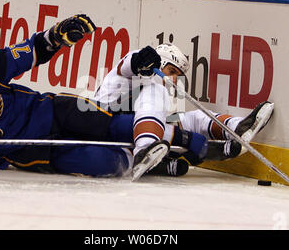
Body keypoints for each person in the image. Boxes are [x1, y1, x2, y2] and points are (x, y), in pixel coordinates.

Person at [0, 14, 189, 180]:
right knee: (101, 161)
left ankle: (183, 136)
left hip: (52, 109)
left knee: (107, 124)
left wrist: (56, 35)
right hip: (31, 149)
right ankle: (153, 164)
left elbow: (32, 50)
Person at [94, 43, 274, 177]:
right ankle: (146, 149)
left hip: (125, 137)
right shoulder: (133, 73)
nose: (173, 80)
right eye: (171, 71)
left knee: (192, 118)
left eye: (176, 76)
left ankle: (236, 127)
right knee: (156, 92)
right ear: (159, 62)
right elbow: (128, 64)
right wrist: (139, 59)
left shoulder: (154, 93)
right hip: (101, 129)